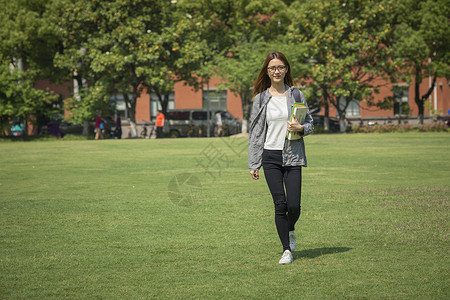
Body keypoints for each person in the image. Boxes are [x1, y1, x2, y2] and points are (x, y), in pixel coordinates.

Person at [248, 52, 314, 264]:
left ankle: (290, 227)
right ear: (267, 72)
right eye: (272, 68)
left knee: (294, 206)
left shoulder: (296, 95)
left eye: (280, 67)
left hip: (293, 156)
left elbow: (311, 123)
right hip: (270, 157)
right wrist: (254, 162)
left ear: (286, 69)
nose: (276, 71)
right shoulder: (260, 99)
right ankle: (286, 249)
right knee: (280, 204)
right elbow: (256, 132)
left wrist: (301, 127)